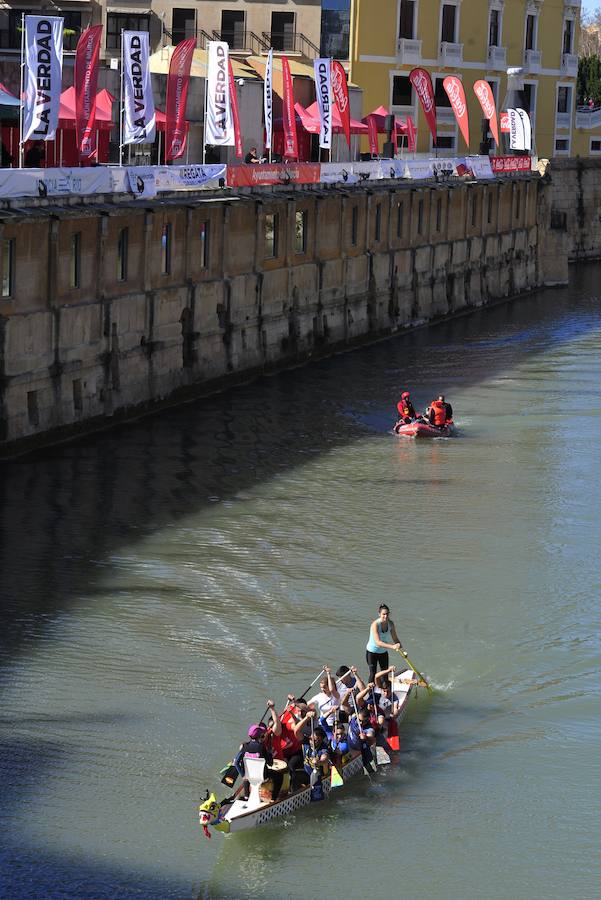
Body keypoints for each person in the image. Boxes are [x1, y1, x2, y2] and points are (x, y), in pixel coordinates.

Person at [234, 722, 284, 802]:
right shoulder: (261, 747)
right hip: (262, 776)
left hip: (249, 776)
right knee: (279, 776)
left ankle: (246, 796)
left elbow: (236, 763)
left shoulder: (244, 746)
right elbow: (270, 763)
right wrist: (269, 753)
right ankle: (273, 798)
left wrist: (243, 775)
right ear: (260, 736)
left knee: (246, 777)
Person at [366, 604, 405, 682]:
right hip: (372, 652)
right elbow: (378, 642)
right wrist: (393, 647)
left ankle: (385, 691)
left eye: (387, 614)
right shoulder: (375, 624)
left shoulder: (391, 624)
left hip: (383, 652)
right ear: (379, 614)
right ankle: (370, 691)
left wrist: (401, 648)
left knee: (385, 674)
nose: (386, 616)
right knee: (373, 674)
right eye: (383, 614)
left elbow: (395, 638)